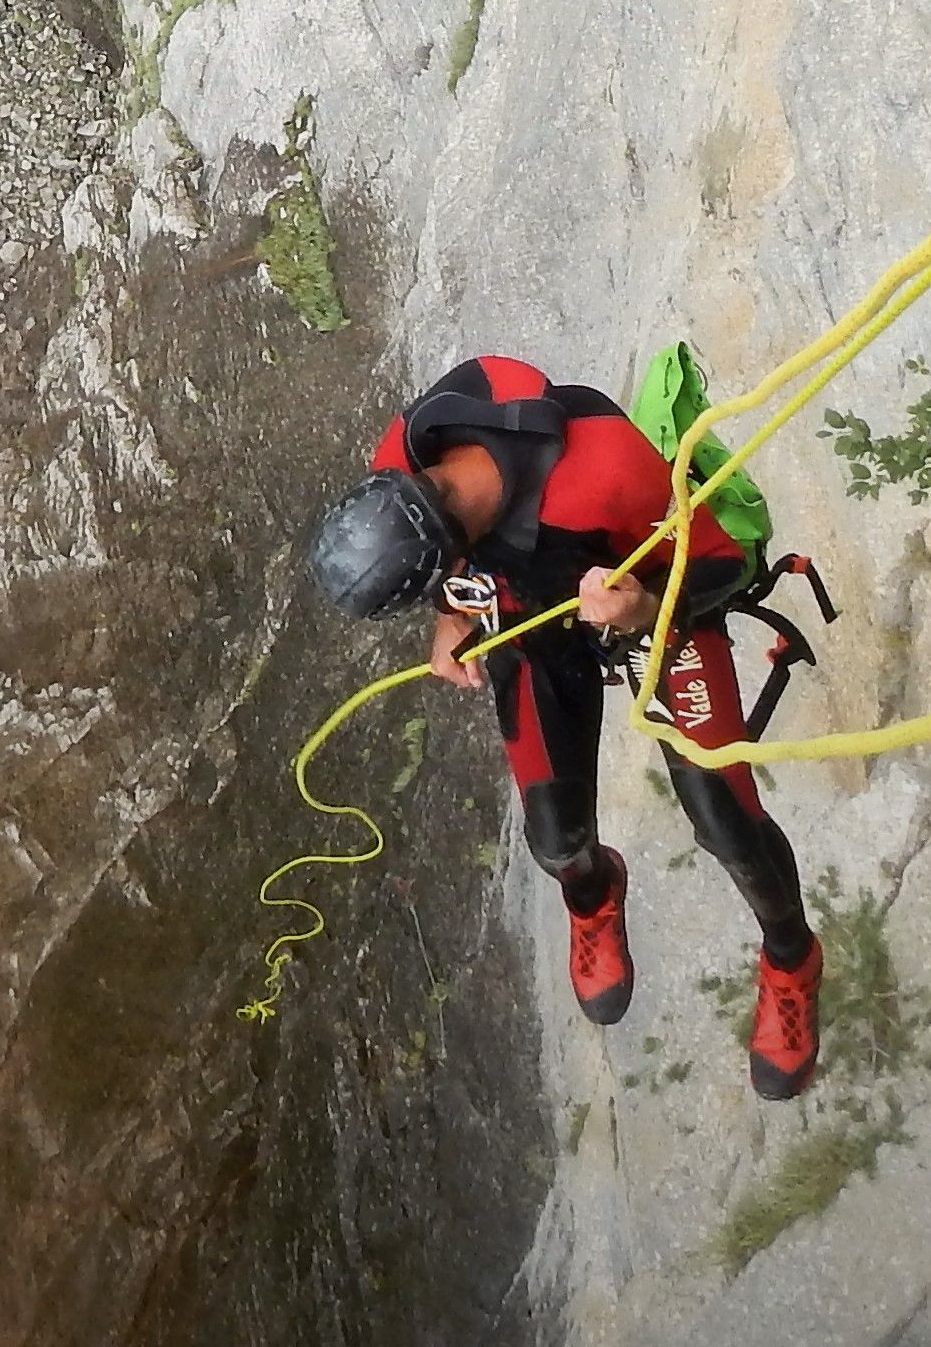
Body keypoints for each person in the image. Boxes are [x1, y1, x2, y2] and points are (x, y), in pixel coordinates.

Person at [306, 353, 823, 1098]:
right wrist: (450, 619)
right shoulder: (404, 462)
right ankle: (595, 894)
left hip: (655, 607)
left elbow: (717, 564)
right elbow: (448, 577)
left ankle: (791, 959)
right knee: (555, 840)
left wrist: (641, 609)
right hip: (533, 619)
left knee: (724, 818)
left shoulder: (603, 466)